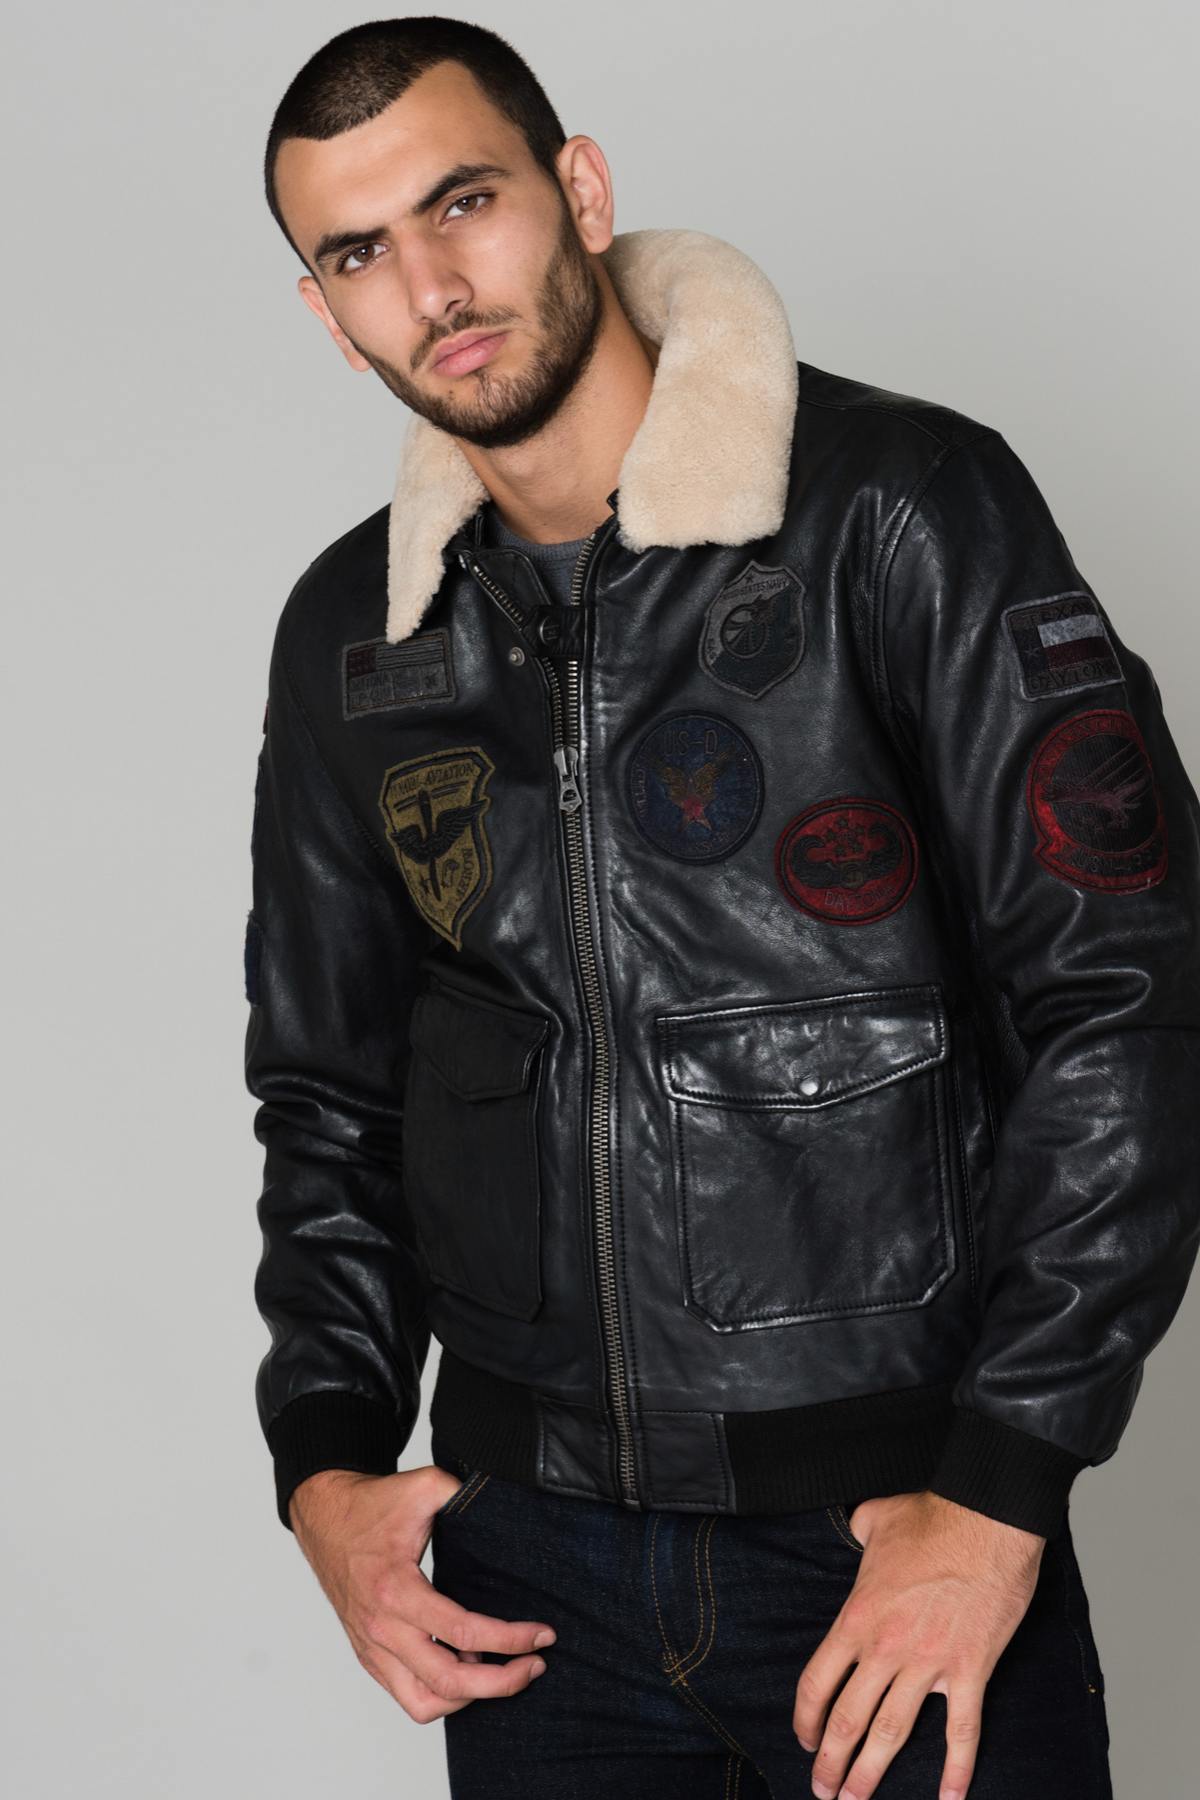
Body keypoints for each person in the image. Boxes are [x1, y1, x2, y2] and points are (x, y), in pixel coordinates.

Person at [245, 17, 1200, 1800]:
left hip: (887, 1538)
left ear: (581, 189)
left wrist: (1002, 1490)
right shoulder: (358, 640)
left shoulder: (901, 512)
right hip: (531, 1581)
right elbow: (327, 1092)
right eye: (360, 253)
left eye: (465, 202)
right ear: (325, 311)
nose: (433, 286)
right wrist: (326, 1468)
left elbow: (1126, 1002)